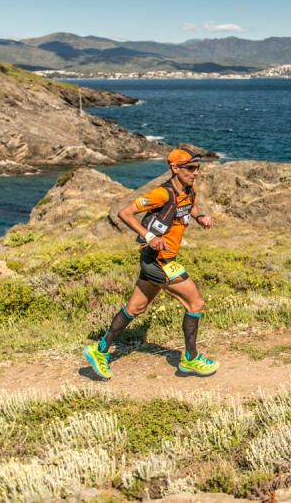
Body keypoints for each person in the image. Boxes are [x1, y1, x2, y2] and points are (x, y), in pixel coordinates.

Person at [83, 148, 220, 379]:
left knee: (135, 308)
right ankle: (191, 359)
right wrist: (149, 236)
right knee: (195, 303)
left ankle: (100, 350)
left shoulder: (188, 190)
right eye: (190, 168)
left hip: (159, 260)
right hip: (159, 261)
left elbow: (189, 205)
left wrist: (200, 217)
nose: (195, 173)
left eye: (197, 168)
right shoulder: (161, 194)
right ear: (175, 168)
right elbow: (125, 213)